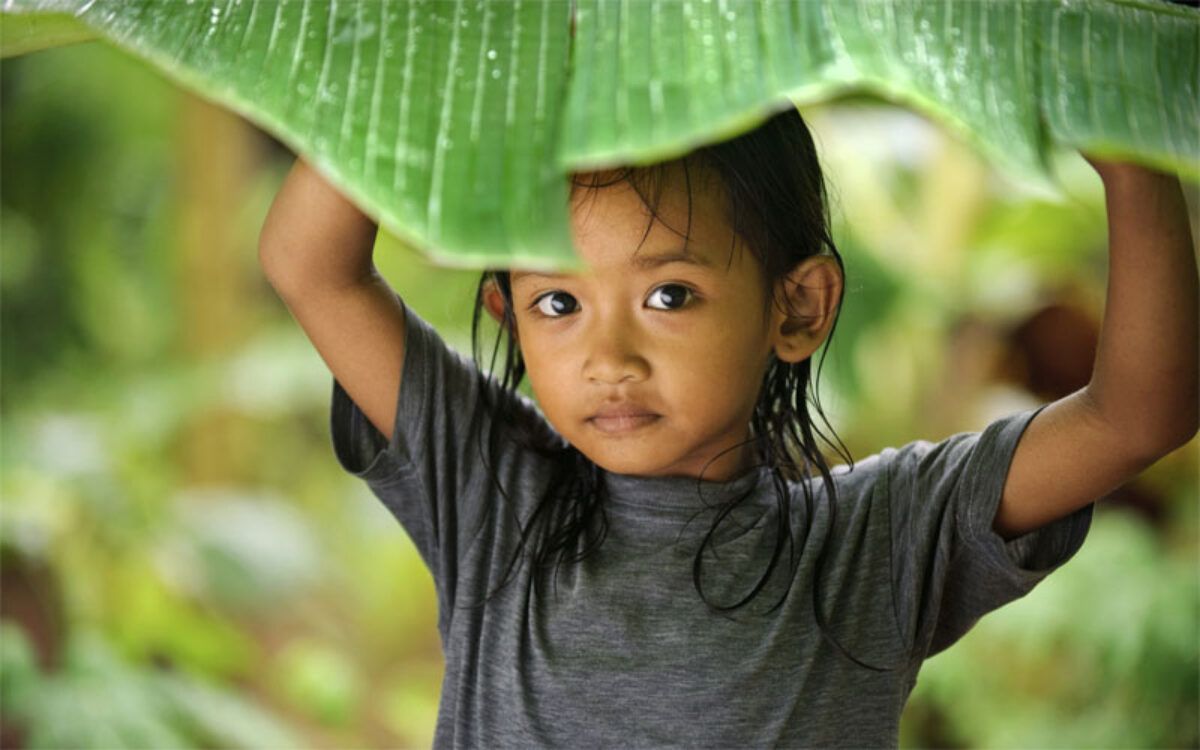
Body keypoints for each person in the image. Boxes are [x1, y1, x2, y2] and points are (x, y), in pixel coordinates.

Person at [257, 108, 1197, 748]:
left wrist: (1129, 153)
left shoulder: (876, 541)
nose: (608, 358)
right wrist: (416, 72)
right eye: (558, 303)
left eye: (669, 295)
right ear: (508, 313)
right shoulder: (492, 490)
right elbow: (310, 265)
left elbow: (1136, 414)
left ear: (799, 307)